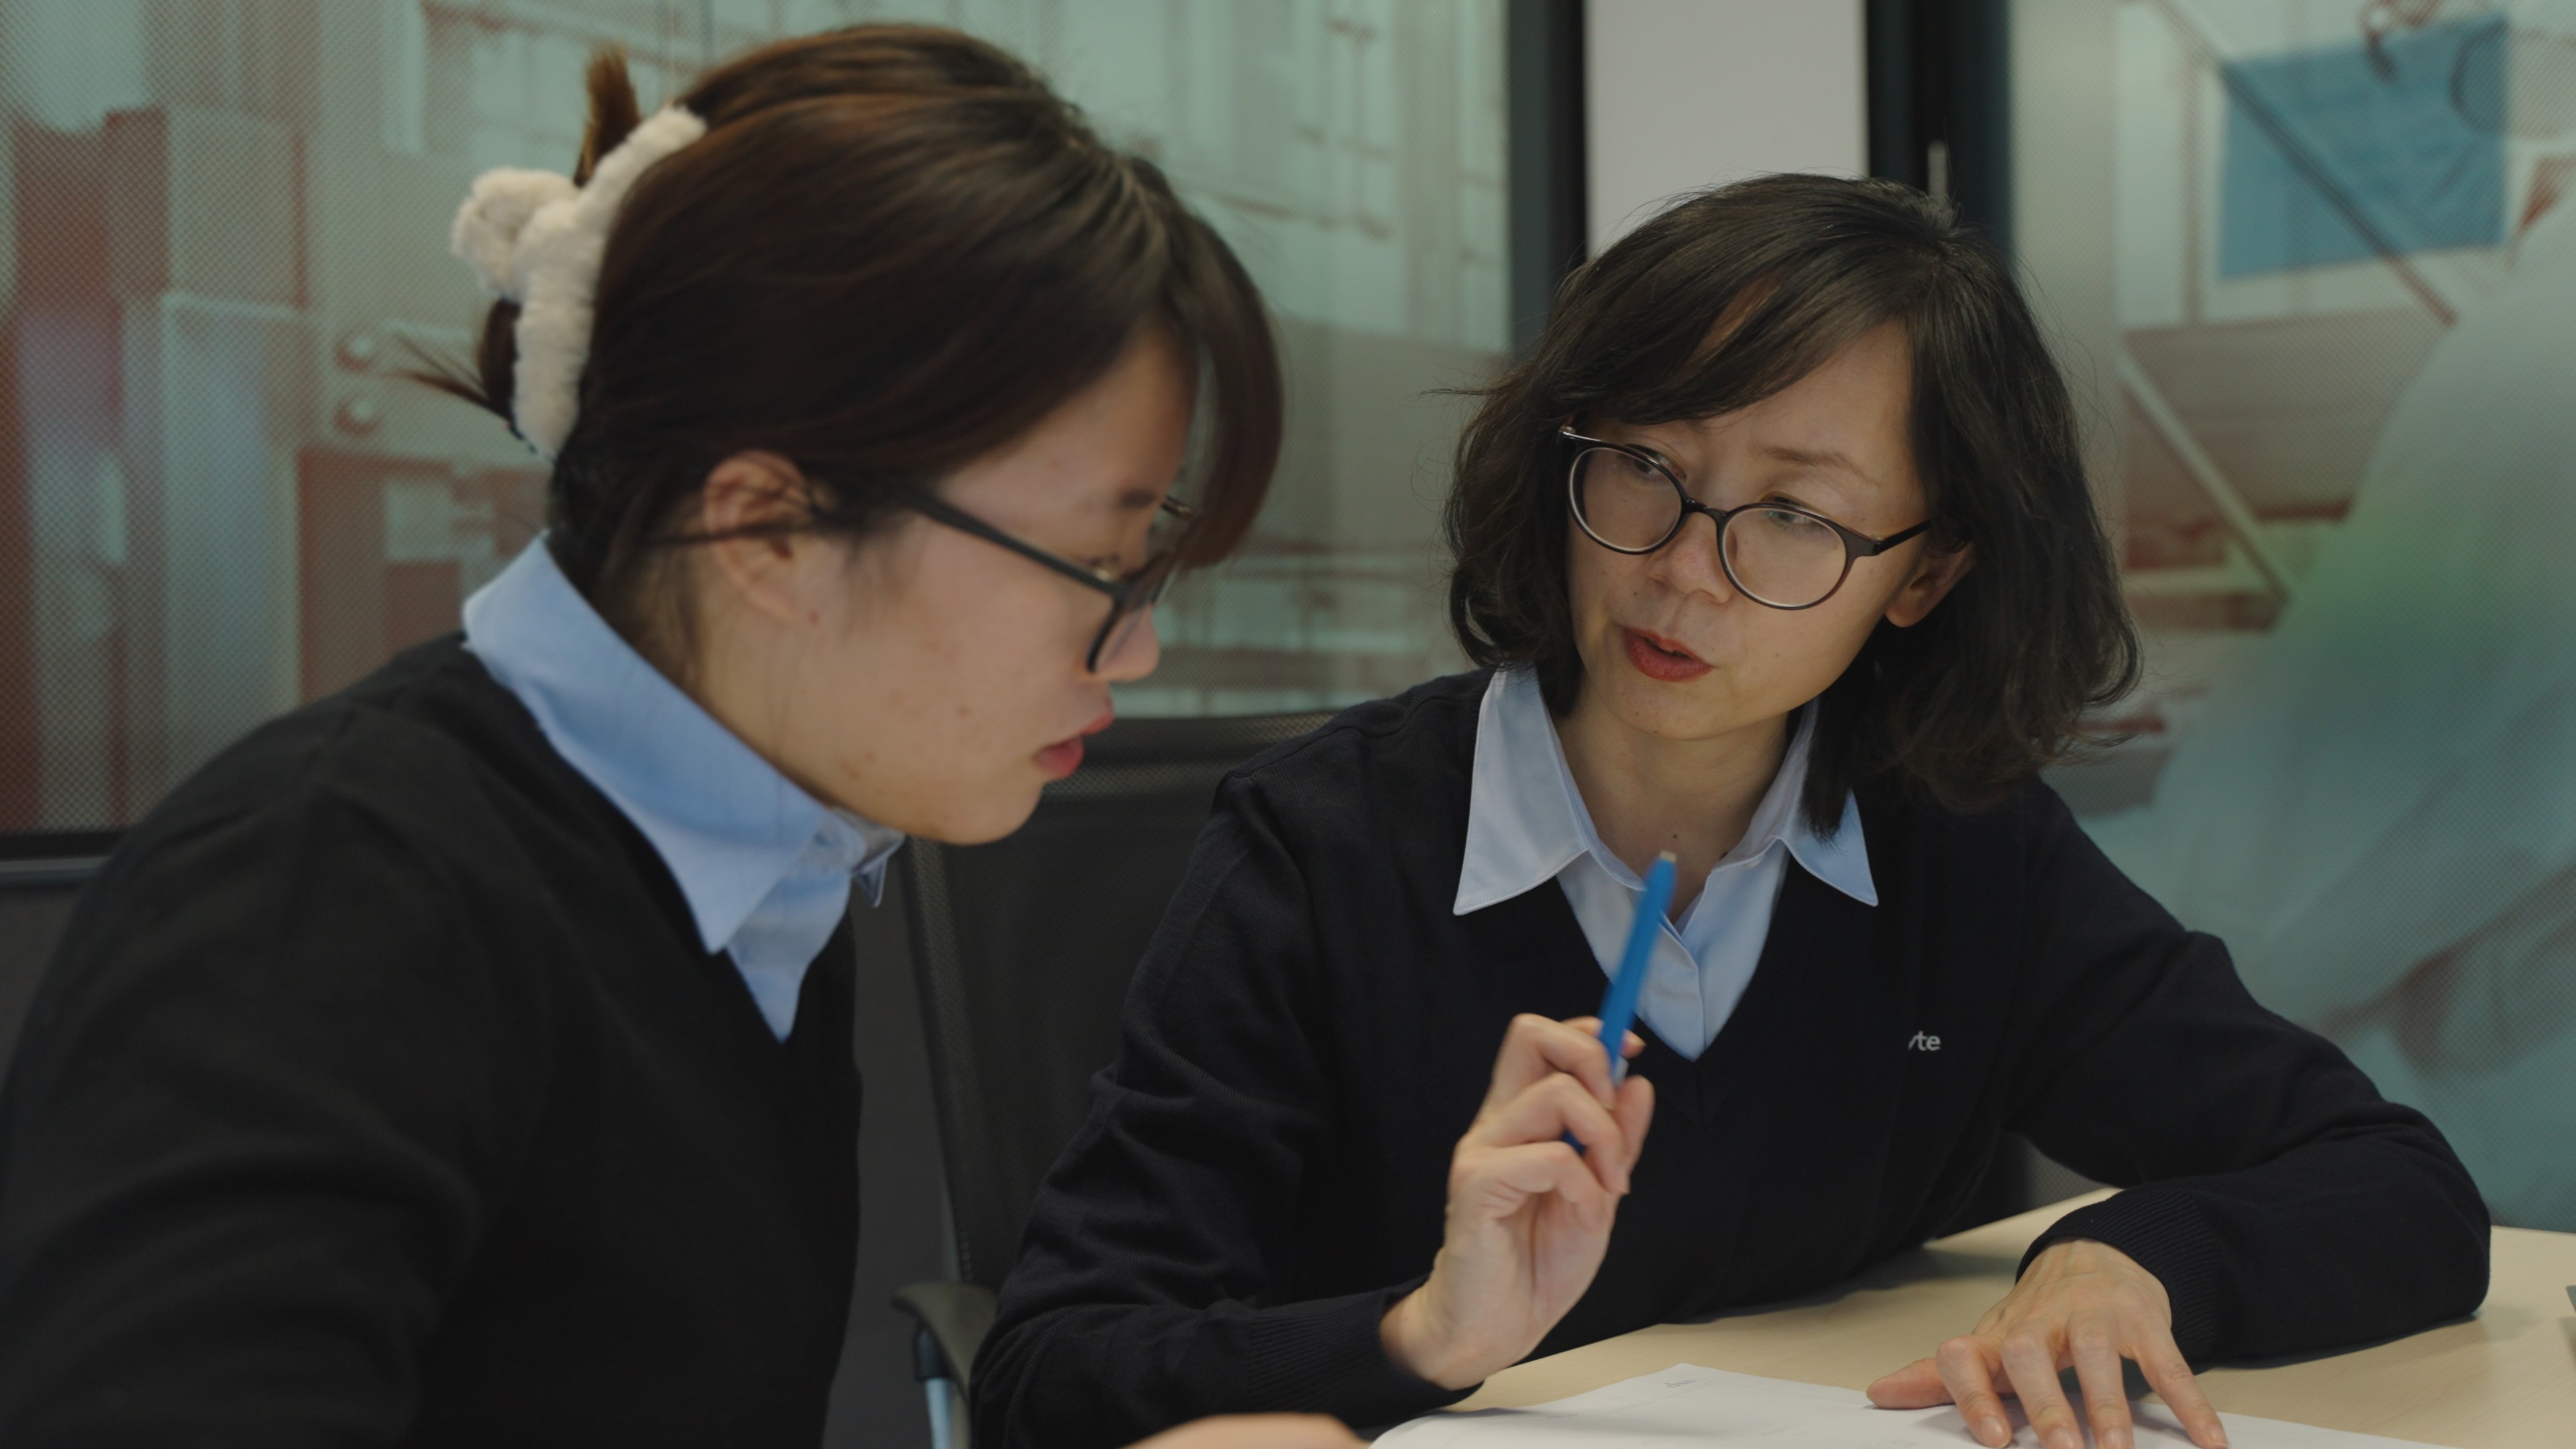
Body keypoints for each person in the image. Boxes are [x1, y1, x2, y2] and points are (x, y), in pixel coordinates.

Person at [971, 176, 2491, 1449]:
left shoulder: (1958, 849)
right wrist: (1424, 1333)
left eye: (1794, 515)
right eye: (1646, 467)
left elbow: (2402, 1192)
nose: (1684, 568)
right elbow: (1050, 1372)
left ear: (1926, 576)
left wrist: (2128, 1253)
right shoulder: (1329, 847)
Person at [0, 25, 1354, 1449]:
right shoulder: (320, 903)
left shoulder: (763, 869)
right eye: (1104, 568)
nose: (1138, 646)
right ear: (766, 527)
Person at [2084, 14, 2576, 1236]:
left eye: (2407, 32)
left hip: (2501, 1169)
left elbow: (2288, 893)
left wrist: (1986, 885)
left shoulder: (2539, 360)